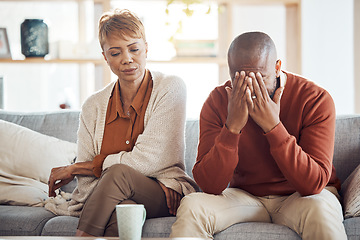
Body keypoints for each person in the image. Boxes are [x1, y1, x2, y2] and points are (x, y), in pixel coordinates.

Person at [170, 31, 347, 240]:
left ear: (277, 67)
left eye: (260, 78)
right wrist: (232, 127)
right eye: (240, 79)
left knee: (321, 211)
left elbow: (313, 184)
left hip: (303, 197)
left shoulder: (314, 98)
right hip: (246, 197)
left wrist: (273, 126)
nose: (251, 88)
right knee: (193, 205)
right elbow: (209, 185)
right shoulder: (218, 101)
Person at [45, 9, 198, 236]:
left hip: (162, 193)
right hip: (108, 197)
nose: (127, 59)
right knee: (123, 210)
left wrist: (78, 167)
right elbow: (87, 185)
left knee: (118, 173)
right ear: (105, 57)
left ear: (146, 47)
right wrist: (93, 173)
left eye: (134, 49)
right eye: (115, 53)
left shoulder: (171, 88)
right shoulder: (93, 106)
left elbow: (148, 161)